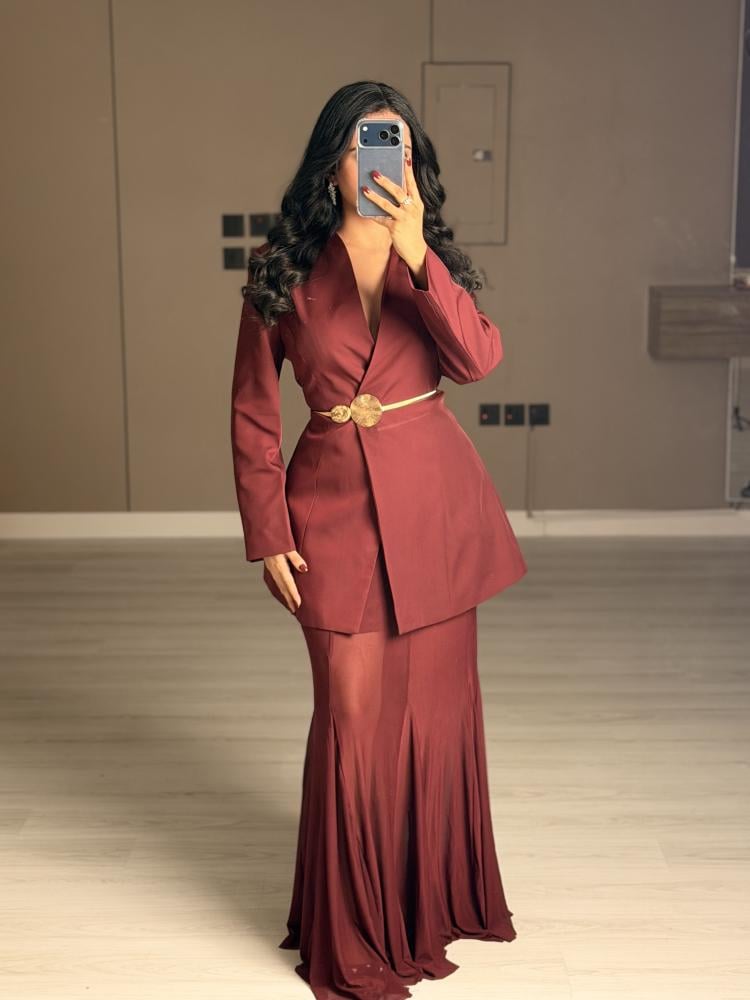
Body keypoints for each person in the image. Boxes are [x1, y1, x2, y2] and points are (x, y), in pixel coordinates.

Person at [230, 80, 528, 1000]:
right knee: (352, 721)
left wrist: (417, 253)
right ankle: (355, 930)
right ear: (334, 164)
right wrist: (266, 531)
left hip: (436, 513)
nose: (378, 160)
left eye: (394, 143)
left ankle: (431, 905)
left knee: (436, 718)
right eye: (365, 143)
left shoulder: (428, 260)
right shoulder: (282, 271)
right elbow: (252, 413)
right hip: (330, 516)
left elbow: (478, 360)